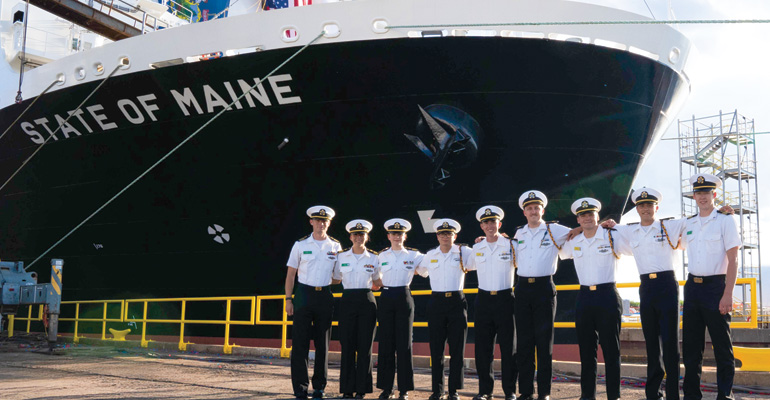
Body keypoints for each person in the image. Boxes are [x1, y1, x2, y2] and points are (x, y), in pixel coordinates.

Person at [599, 187, 685, 400]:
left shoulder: (669, 226)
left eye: (649, 205)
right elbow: (607, 228)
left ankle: (673, 394)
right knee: (652, 343)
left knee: (670, 343)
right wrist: (605, 223)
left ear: (656, 207)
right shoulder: (629, 230)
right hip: (646, 287)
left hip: (667, 286)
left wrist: (724, 211)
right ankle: (653, 394)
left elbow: (699, 220)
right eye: (641, 205)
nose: (646, 209)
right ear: (636, 208)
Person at [559, 198, 627, 400]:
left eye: (591, 214)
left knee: (611, 350)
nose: (587, 218)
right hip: (585, 296)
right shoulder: (574, 241)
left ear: (598, 216)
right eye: (583, 215)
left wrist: (616, 225)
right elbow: (560, 252)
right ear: (578, 219)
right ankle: (587, 395)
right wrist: (577, 231)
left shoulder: (612, 235)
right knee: (586, 351)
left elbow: (633, 238)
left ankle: (613, 396)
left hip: (607, 295)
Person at [681, 173, 741, 400]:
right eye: (699, 193)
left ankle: (725, 395)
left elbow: (734, 260)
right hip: (693, 288)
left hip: (716, 288)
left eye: (707, 192)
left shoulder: (726, 220)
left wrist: (728, 294)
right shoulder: (688, 223)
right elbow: (659, 230)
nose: (703, 197)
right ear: (694, 196)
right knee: (691, 349)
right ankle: (691, 395)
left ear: (714, 194)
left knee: (722, 347)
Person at [512, 190, 571, 400]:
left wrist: (606, 224)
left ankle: (544, 392)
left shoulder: (554, 230)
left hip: (544, 289)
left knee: (544, 342)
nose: (533, 211)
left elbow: (579, 231)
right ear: (524, 212)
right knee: (525, 342)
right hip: (522, 289)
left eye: (536, 208)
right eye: (529, 208)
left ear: (542, 210)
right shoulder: (519, 233)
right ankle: (526, 391)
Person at [285, 205, 342, 400]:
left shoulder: (335, 246)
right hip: (303, 294)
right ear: (311, 222)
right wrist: (288, 299)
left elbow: (338, 277)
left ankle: (319, 387)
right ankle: (300, 388)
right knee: (300, 344)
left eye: (324, 221)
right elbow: (291, 274)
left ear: (329, 223)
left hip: (324, 295)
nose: (321, 223)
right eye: (318, 220)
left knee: (322, 344)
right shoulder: (300, 245)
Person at [417, 218, 473, 400]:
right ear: (437, 236)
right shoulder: (430, 255)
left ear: (455, 235)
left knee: (457, 348)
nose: (445, 237)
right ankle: (437, 390)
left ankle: (454, 390)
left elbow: (482, 255)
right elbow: (420, 270)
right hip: (436, 302)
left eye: (449, 233)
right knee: (436, 349)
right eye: (442, 234)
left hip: (457, 301)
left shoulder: (464, 252)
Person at [465, 205, 518, 400]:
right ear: (481, 226)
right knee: (483, 349)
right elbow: (467, 265)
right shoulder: (477, 248)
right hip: (484, 300)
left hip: (505, 299)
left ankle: (509, 391)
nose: (489, 225)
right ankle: (485, 390)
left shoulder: (512, 245)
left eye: (493, 221)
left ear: (499, 223)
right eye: (486, 222)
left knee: (508, 348)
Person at [376, 218, 424, 400]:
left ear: (405, 235)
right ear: (388, 236)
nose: (397, 237)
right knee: (386, 343)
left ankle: (404, 389)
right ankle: (386, 388)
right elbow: (374, 278)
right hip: (386, 296)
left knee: (404, 344)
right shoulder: (380, 256)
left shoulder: (414, 255)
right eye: (394, 234)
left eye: (400, 233)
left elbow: (431, 264)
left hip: (404, 296)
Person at [335, 219, 383, 399]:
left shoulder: (374, 257)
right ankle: (347, 389)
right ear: (350, 237)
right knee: (347, 346)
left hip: (366, 301)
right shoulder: (341, 257)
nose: (358, 237)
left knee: (365, 347)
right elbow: (335, 278)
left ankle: (362, 389)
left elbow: (378, 282)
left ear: (367, 237)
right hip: (347, 299)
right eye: (355, 234)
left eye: (361, 234)